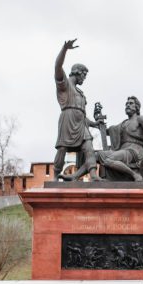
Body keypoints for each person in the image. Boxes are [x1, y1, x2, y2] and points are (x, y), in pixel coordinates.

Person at [52, 38, 100, 181]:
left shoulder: (81, 94)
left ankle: (93, 175)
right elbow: (57, 67)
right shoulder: (65, 85)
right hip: (67, 119)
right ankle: (55, 176)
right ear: (77, 72)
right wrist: (64, 49)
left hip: (81, 124)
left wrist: (94, 124)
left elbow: (83, 115)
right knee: (62, 149)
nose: (84, 78)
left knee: (89, 146)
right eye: (84, 75)